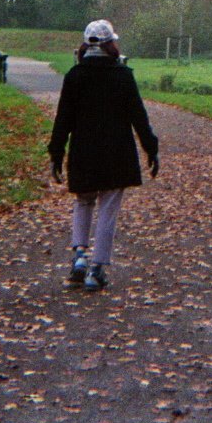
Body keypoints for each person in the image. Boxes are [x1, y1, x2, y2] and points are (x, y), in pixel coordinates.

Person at [48, 19, 159, 291]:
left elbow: (63, 119)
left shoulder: (75, 76)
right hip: (115, 153)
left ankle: (79, 258)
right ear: (111, 44)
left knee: (83, 202)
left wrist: (56, 153)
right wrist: (151, 149)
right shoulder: (122, 76)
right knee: (108, 209)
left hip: (83, 151)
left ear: (86, 45)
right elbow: (139, 118)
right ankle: (97, 269)